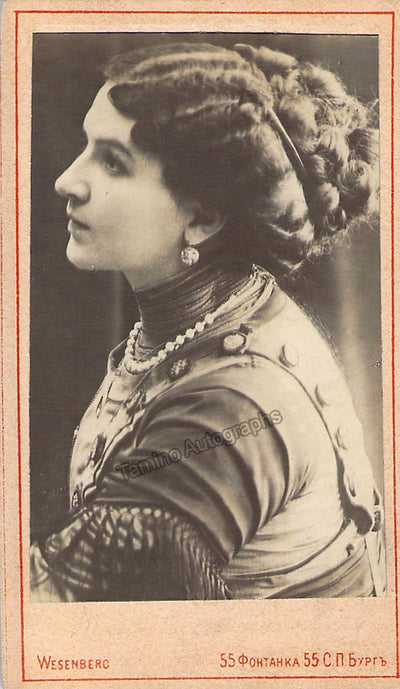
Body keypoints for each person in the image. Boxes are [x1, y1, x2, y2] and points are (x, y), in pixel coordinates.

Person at [30, 41, 384, 601]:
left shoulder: (232, 408)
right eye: (86, 146)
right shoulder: (232, 312)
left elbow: (47, 606)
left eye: (114, 163)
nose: (68, 181)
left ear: (203, 218)